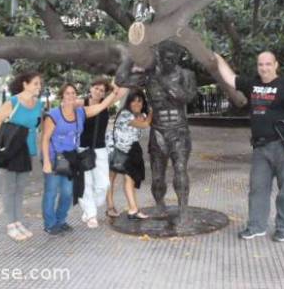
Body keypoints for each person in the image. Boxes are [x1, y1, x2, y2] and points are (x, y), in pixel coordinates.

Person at [215, 51, 284, 242]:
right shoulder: (253, 85)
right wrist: (216, 58)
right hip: (260, 148)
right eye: (260, 64)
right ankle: (256, 226)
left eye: (268, 64)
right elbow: (230, 78)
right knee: (258, 189)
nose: (264, 68)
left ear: (276, 65)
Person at [116, 41, 196, 223]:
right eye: (168, 58)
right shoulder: (148, 77)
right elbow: (120, 80)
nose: (172, 61)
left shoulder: (186, 75)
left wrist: (164, 81)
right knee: (158, 174)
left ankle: (183, 209)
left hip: (179, 130)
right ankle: (160, 204)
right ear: (159, 57)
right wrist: (132, 55)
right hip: (158, 130)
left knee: (180, 169)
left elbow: (186, 97)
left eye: (175, 58)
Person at [41, 82, 122, 235]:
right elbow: (45, 138)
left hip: (71, 157)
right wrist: (46, 161)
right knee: (51, 192)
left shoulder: (80, 113)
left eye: (73, 93)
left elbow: (101, 106)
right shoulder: (53, 114)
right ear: (62, 96)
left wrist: (114, 92)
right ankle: (50, 224)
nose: (71, 96)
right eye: (67, 93)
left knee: (67, 192)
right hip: (53, 157)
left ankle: (61, 221)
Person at [0, 71, 43, 241]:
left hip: (28, 150)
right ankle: (10, 224)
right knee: (9, 189)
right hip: (12, 152)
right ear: (25, 84)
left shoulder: (38, 104)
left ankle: (18, 221)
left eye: (40, 84)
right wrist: (11, 135)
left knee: (20, 189)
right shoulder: (13, 102)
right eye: (35, 83)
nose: (39, 87)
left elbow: (36, 126)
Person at [106, 90, 152, 219]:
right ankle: (111, 207)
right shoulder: (125, 114)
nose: (137, 103)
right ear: (129, 102)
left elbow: (144, 119)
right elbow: (145, 124)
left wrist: (146, 113)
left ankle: (133, 209)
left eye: (140, 101)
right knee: (111, 179)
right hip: (115, 149)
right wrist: (152, 112)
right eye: (134, 100)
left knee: (129, 179)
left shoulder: (140, 114)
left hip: (130, 150)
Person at [77, 77, 112, 228]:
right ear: (90, 88)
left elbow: (120, 91)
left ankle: (89, 208)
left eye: (102, 90)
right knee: (86, 184)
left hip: (100, 149)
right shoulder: (79, 103)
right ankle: (91, 215)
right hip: (82, 149)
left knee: (104, 184)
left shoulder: (105, 105)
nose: (98, 91)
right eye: (96, 88)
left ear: (105, 94)